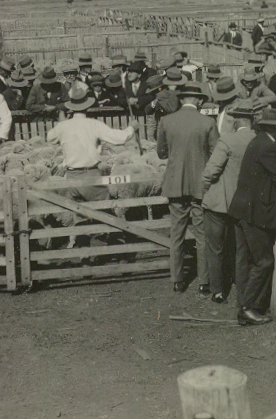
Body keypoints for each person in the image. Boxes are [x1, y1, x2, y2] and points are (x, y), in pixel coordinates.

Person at [227, 108, 276, 325]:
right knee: (264, 261)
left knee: (247, 257)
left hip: (240, 207)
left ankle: (245, 304)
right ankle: (247, 308)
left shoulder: (257, 141)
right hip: (254, 211)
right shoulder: (268, 146)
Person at [46, 86, 137, 237]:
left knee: (80, 217)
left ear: (70, 107)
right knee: (106, 213)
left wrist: (62, 123)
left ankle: (85, 256)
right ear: (88, 106)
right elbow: (119, 138)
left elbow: (50, 137)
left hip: (71, 178)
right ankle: (118, 249)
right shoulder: (94, 124)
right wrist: (131, 128)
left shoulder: (63, 126)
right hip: (91, 176)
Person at [157, 82, 218, 294]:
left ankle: (177, 280)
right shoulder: (208, 122)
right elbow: (215, 154)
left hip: (174, 185)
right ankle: (204, 282)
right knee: (202, 235)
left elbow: (161, 153)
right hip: (201, 186)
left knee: (176, 233)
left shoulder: (166, 121)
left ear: (181, 99)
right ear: (199, 100)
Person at [201, 99, 257, 304]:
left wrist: (207, 187)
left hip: (219, 203)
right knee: (241, 248)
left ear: (235, 121)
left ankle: (217, 290)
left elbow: (210, 171)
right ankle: (241, 286)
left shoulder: (227, 141)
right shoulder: (258, 140)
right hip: (244, 203)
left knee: (215, 247)